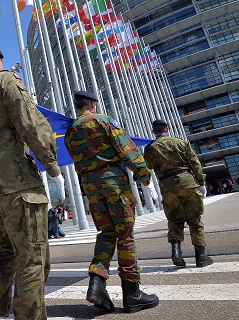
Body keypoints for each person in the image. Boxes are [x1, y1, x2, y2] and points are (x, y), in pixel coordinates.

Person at [0, 42, 66, 320]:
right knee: (31, 256)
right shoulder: (6, 80)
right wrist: (52, 167)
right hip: (17, 183)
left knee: (0, 254)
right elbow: (31, 123)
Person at [65, 91, 158, 314]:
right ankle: (132, 294)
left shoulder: (70, 131)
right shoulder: (103, 121)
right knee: (125, 234)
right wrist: (144, 174)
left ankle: (97, 283)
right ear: (93, 104)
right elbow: (127, 149)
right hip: (113, 182)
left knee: (106, 233)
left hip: (91, 186)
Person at [144, 119, 213, 270]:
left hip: (167, 187)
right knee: (195, 221)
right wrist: (201, 182)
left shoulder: (150, 148)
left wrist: (148, 185)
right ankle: (201, 257)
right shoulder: (180, 142)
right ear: (167, 129)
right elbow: (195, 163)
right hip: (187, 183)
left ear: (153, 132)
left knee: (175, 221)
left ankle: (176, 252)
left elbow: (145, 168)